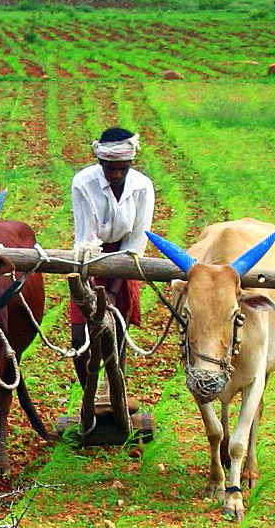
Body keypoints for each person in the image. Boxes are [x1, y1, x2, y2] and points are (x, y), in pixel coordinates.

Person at [69, 127, 155, 388]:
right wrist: (90, 293)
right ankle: (89, 396)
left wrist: (115, 291)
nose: (116, 174)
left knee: (116, 331)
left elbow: (136, 241)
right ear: (100, 162)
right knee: (79, 336)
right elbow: (86, 238)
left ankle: (115, 391)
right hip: (89, 259)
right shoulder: (83, 182)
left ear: (130, 164)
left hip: (124, 260)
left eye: (122, 168)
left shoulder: (142, 187)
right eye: (110, 168)